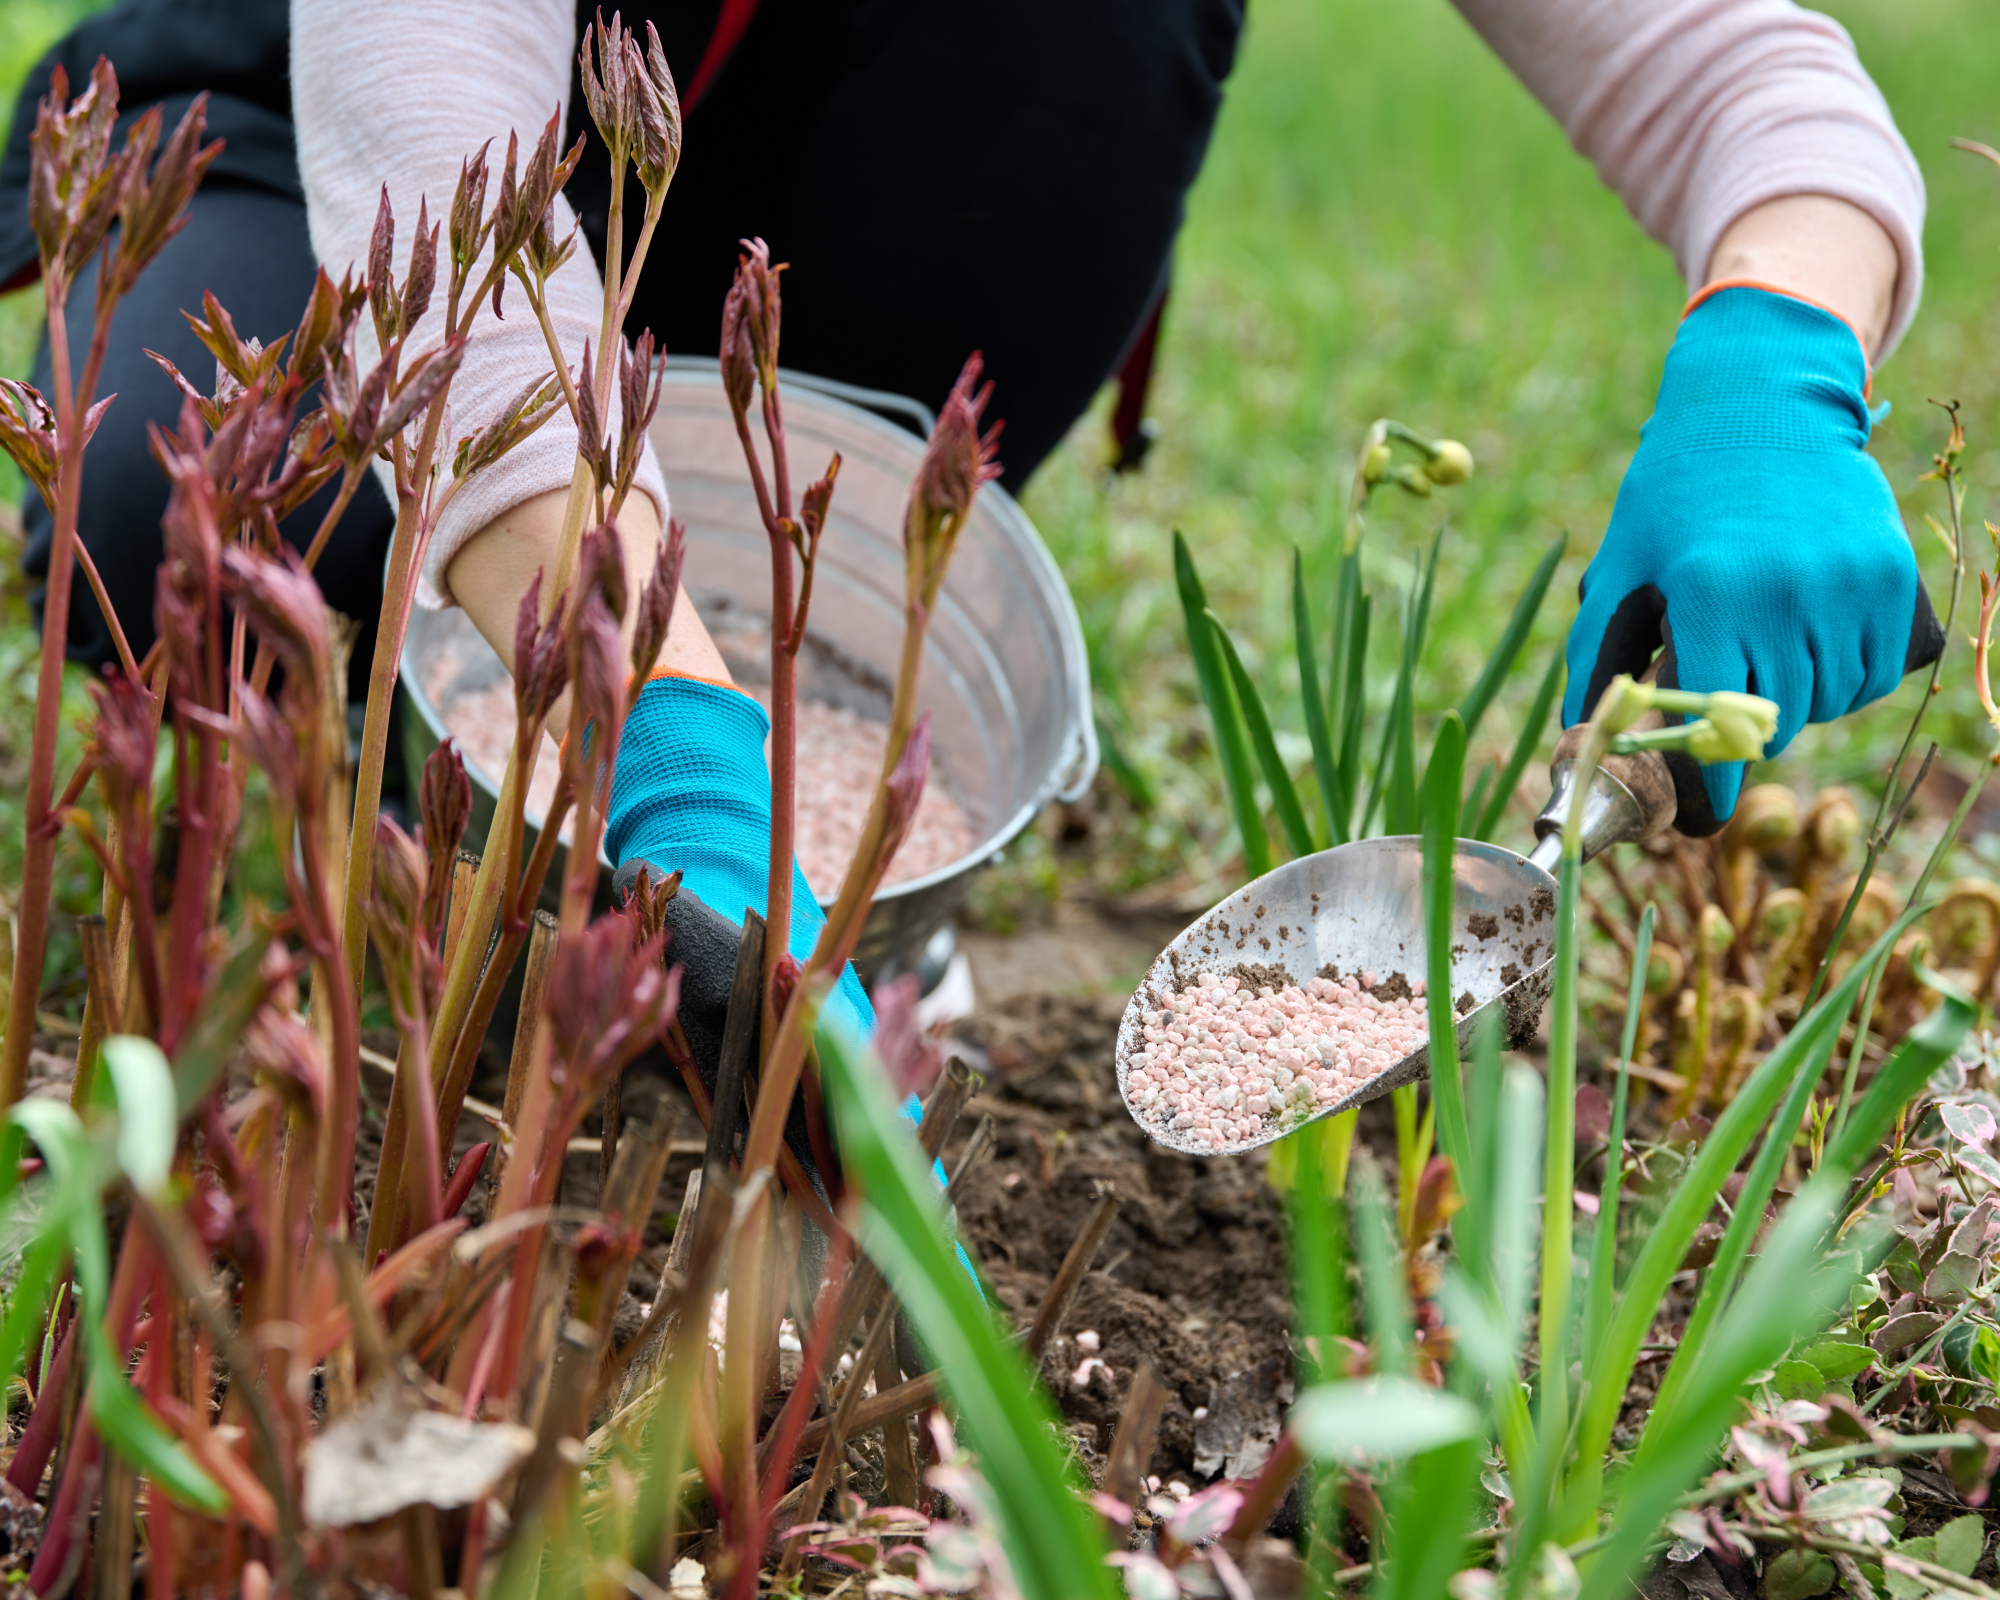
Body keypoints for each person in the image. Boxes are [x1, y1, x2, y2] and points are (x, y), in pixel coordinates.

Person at [1, 0, 1941, 1032]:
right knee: (168, 509)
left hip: (823, 256)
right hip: (353, 178)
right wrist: (678, 766)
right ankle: (481, 794)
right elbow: (439, 210)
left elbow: (1750, 81)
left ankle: (809, 778)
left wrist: (1770, 368)